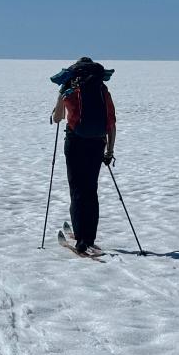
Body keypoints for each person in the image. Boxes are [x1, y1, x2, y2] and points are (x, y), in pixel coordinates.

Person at [49, 57, 116, 255]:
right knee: (90, 190)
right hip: (97, 143)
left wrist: (61, 96)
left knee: (77, 190)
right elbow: (111, 123)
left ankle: (81, 239)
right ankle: (89, 237)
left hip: (75, 143)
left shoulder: (70, 88)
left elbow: (58, 118)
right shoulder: (102, 90)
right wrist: (109, 151)